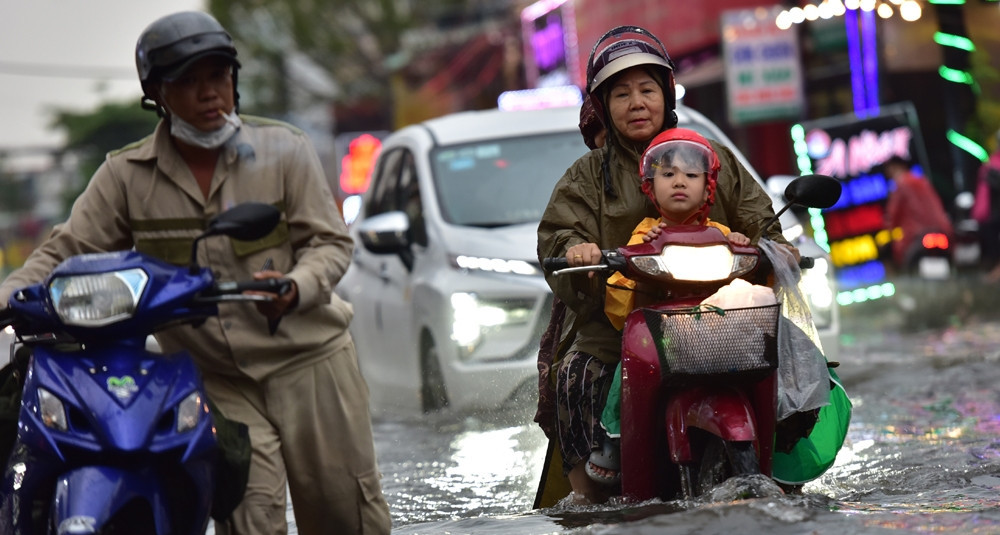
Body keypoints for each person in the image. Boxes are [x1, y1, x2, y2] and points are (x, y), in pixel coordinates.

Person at [0, 11, 391, 535]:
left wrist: (298, 286)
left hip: (310, 363)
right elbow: (66, 251)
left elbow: (329, 242)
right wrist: (8, 297)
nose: (210, 94)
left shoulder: (284, 149)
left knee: (346, 516)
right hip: (218, 379)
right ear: (157, 94)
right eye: (189, 81)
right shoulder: (125, 174)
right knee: (248, 519)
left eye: (218, 77)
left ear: (234, 81)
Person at [536, 25, 792, 505]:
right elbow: (559, 232)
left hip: (716, 317)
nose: (636, 102)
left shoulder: (712, 158)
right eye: (622, 93)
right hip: (616, 323)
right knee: (576, 375)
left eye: (647, 89)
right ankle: (589, 494)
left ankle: (784, 458)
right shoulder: (587, 176)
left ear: (666, 95)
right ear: (602, 106)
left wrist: (773, 244)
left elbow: (758, 217)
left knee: (789, 367)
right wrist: (579, 251)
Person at [584, 128, 751, 484]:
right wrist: (633, 256)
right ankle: (614, 437)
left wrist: (740, 243)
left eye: (691, 175)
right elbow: (620, 295)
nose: (680, 182)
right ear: (650, 184)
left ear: (708, 185)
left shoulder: (720, 232)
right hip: (661, 338)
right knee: (625, 369)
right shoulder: (644, 233)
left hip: (713, 334)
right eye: (668, 174)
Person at [881, 155, 954, 273]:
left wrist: (887, 236)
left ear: (895, 168)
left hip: (916, 236)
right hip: (942, 231)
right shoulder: (922, 181)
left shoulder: (900, 184)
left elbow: (892, 215)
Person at [972, 131, 1000, 282]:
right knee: (991, 244)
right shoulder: (992, 162)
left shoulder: (991, 163)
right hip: (989, 212)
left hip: (991, 212)